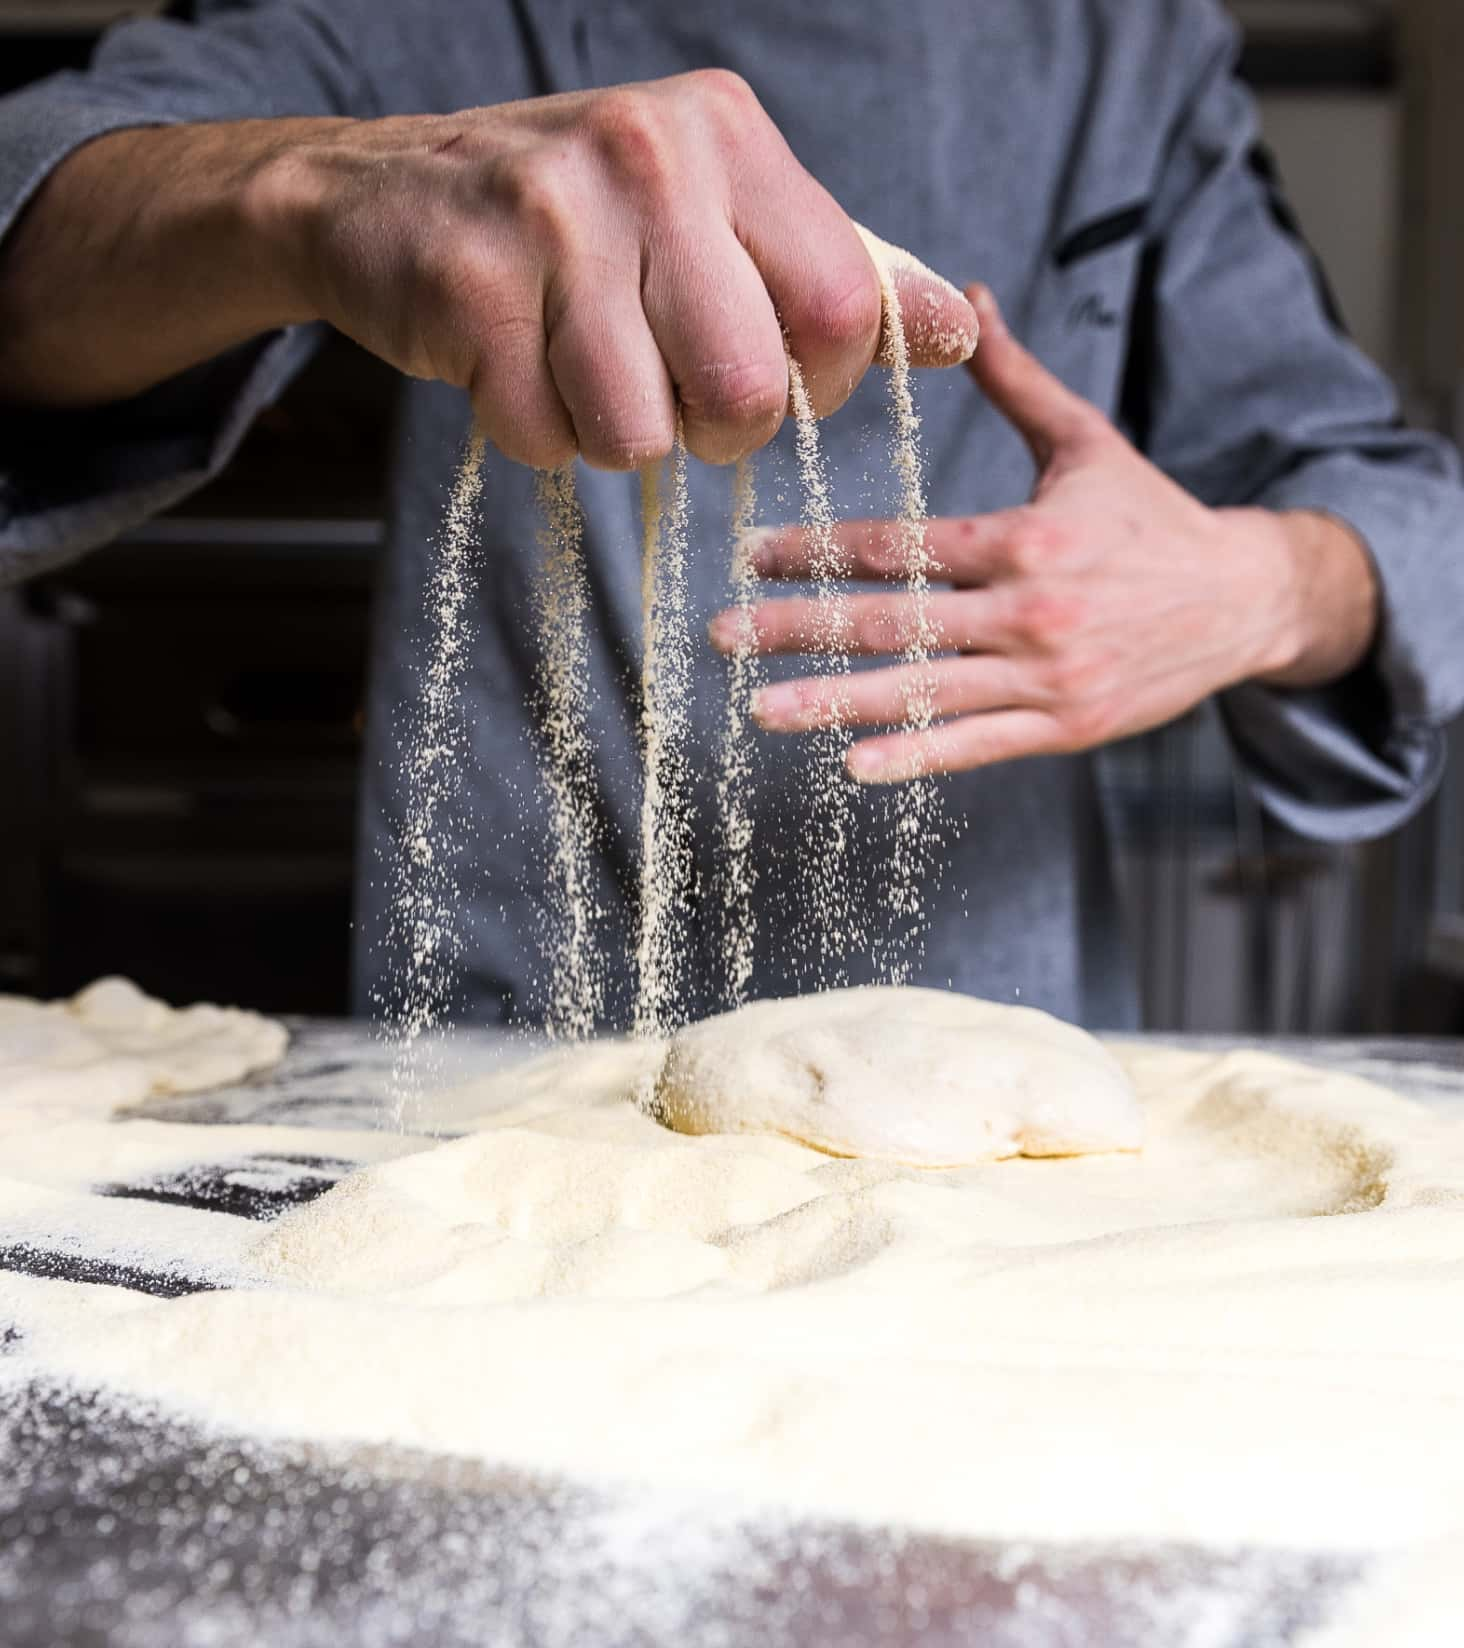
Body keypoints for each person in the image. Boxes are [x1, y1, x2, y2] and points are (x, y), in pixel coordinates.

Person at [1, 0, 1461, 1033]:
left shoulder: (1122, 43)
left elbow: (1402, 512)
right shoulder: (417, 21)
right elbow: (38, 215)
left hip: (981, 1055)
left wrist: (1261, 584)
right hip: (505, 1041)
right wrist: (306, 194)